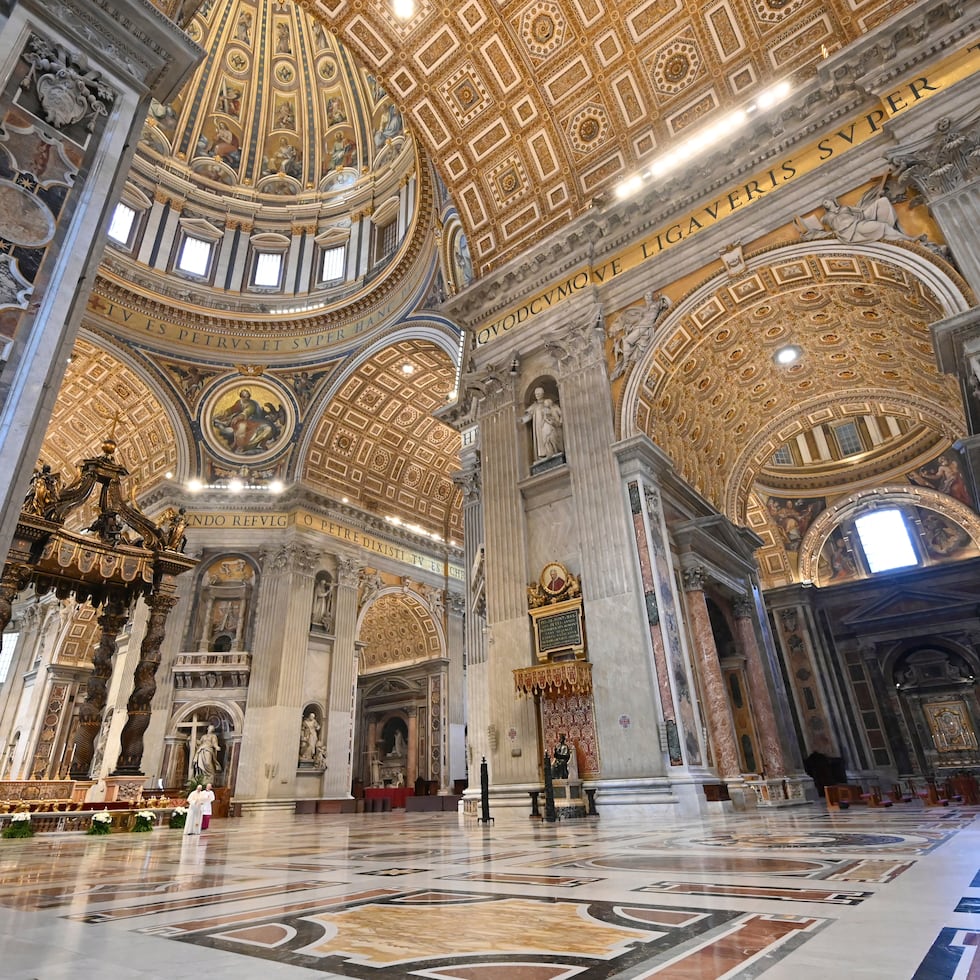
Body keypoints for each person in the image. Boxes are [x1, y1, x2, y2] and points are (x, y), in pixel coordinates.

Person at [523, 386, 563, 460]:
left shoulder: (547, 402)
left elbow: (555, 410)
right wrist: (522, 420)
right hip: (538, 426)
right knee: (542, 439)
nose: (537, 395)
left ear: (542, 394)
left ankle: (553, 451)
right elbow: (528, 415)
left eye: (538, 394)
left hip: (548, 423)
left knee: (550, 437)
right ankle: (544, 454)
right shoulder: (535, 405)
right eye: (536, 394)